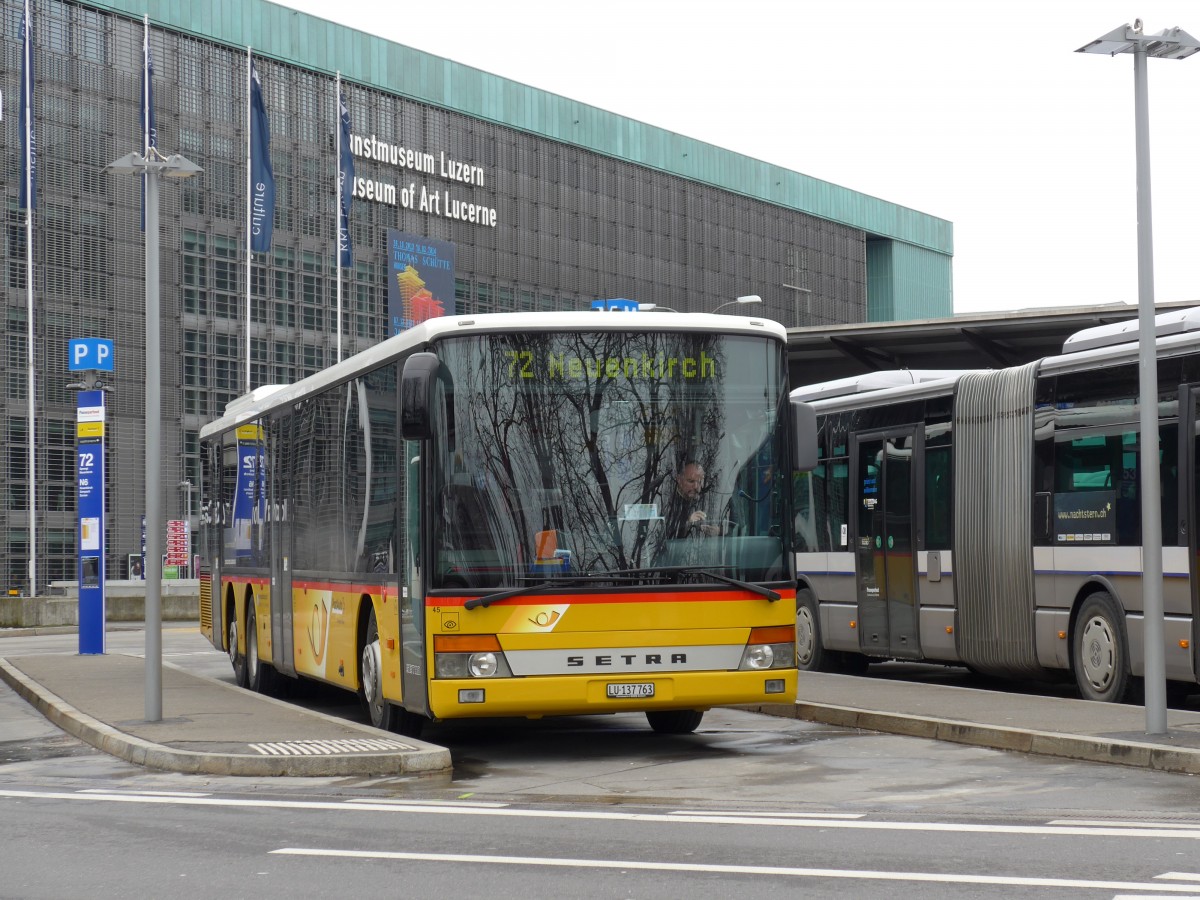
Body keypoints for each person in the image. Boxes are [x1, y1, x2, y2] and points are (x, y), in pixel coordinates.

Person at [666, 460, 721, 538]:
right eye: (690, 481)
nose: (696, 486)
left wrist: (718, 531)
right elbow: (663, 538)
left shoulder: (708, 501)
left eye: (699, 481)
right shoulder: (667, 501)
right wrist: (688, 524)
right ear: (679, 480)